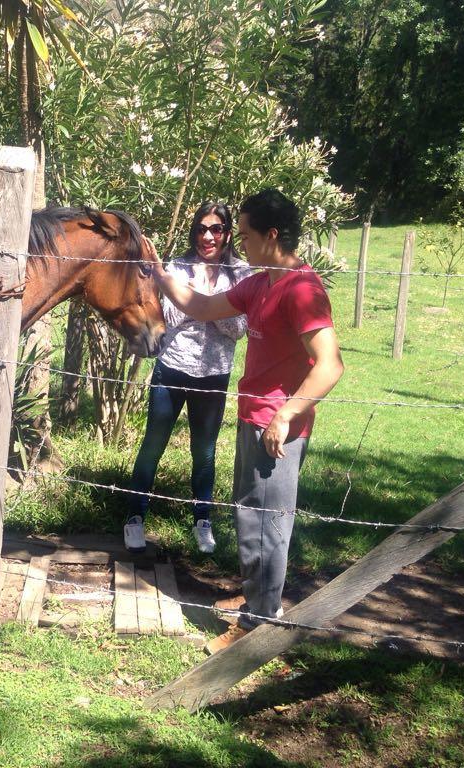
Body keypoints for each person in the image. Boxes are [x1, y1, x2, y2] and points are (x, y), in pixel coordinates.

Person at [147, 188, 344, 654]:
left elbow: (330, 364)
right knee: (249, 517)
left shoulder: (302, 289)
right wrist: (159, 275)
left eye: (248, 235)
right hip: (252, 419)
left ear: (272, 236)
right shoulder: (260, 283)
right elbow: (202, 306)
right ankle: (259, 604)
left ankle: (259, 626)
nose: (241, 243)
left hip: (277, 430)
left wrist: (286, 415)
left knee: (268, 525)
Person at [123, 202, 250, 555]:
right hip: (172, 368)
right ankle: (135, 516)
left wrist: (199, 301)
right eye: (201, 229)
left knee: (204, 452)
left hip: (214, 374)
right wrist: (214, 305)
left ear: (226, 233)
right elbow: (169, 319)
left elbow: (239, 328)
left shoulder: (242, 273)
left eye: (216, 229)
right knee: (153, 444)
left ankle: (203, 519)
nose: (207, 236)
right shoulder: (176, 268)